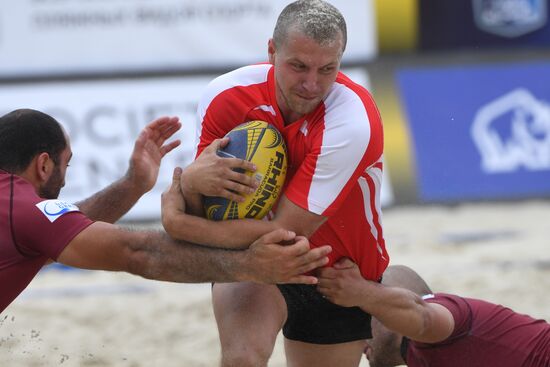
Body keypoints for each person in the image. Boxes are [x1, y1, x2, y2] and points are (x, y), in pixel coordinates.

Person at [160, 1, 388, 365]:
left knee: (392, 346)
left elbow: (284, 232)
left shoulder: (352, 121)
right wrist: (190, 184)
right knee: (242, 359)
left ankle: (403, 291)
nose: (312, 84)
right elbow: (210, 210)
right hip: (251, 260)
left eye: (327, 69)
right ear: (271, 51)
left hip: (336, 272)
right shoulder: (227, 95)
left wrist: (178, 222)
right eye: (298, 66)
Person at [0, 108, 332, 314]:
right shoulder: (25, 211)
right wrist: (248, 266)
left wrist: (132, 185)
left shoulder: (16, 211)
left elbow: (63, 231)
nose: (65, 177)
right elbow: (138, 253)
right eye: (65, 165)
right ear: (43, 165)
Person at [317, 261, 550, 367]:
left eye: (365, 323)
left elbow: (423, 318)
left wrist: (362, 293)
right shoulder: (418, 356)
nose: (362, 342)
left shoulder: (446, 321)